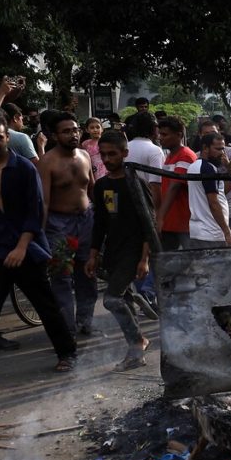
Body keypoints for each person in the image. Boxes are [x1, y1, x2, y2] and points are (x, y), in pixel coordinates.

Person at [0, 112, 78, 369]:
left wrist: (22, 247)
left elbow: (35, 211)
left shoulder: (23, 168)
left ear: (7, 137)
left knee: (46, 306)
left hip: (27, 248)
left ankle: (67, 354)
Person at [85, 131, 152, 370]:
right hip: (113, 251)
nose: (107, 159)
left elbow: (149, 225)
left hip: (133, 251)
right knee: (122, 299)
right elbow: (100, 223)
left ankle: (138, 341)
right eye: (103, 154)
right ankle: (136, 354)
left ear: (125, 153)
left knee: (112, 299)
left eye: (112, 154)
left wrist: (144, 259)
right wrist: (93, 254)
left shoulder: (135, 183)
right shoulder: (102, 185)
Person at [38, 112, 99, 336]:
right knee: (61, 276)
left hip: (86, 220)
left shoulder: (85, 155)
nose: (73, 134)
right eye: (67, 131)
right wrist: (40, 233)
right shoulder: (47, 162)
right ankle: (66, 328)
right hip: (58, 225)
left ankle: (85, 321)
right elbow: (43, 201)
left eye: (75, 130)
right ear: (55, 135)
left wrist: (100, 219)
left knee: (88, 271)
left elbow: (92, 188)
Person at [187, 132, 231, 248]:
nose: (222, 154)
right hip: (211, 234)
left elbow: (220, 194)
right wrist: (228, 233)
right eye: (218, 149)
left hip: (199, 231)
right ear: (205, 148)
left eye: (223, 149)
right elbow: (214, 202)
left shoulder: (194, 166)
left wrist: (230, 171)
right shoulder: (208, 169)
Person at [154, 116, 197, 250]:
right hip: (171, 222)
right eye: (160, 134)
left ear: (179, 135)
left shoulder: (185, 155)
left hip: (183, 224)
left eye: (164, 134)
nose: (160, 138)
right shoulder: (170, 156)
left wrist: (160, 217)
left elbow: (175, 186)